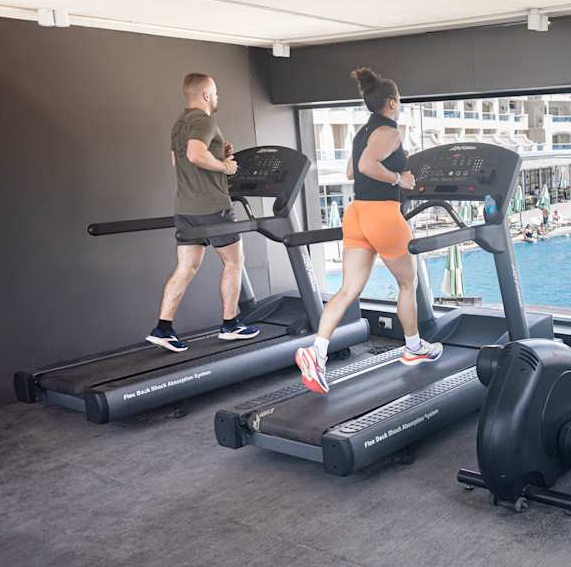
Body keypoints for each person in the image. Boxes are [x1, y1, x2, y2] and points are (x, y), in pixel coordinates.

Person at [295, 67, 442, 394]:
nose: (400, 105)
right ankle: (414, 346)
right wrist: (400, 178)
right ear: (391, 102)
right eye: (399, 100)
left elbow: (351, 171)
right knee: (408, 283)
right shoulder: (389, 132)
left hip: (357, 213)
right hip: (382, 214)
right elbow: (365, 166)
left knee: (347, 290)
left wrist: (389, 166)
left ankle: (316, 352)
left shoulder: (362, 132)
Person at [146, 73, 260, 352]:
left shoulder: (180, 124)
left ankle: (163, 328)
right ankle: (231, 325)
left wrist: (219, 154)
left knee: (186, 267)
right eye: (216, 93)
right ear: (207, 95)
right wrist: (226, 167)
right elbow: (195, 155)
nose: (218, 98)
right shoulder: (204, 120)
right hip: (213, 207)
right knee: (234, 263)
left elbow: (179, 161)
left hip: (185, 208)